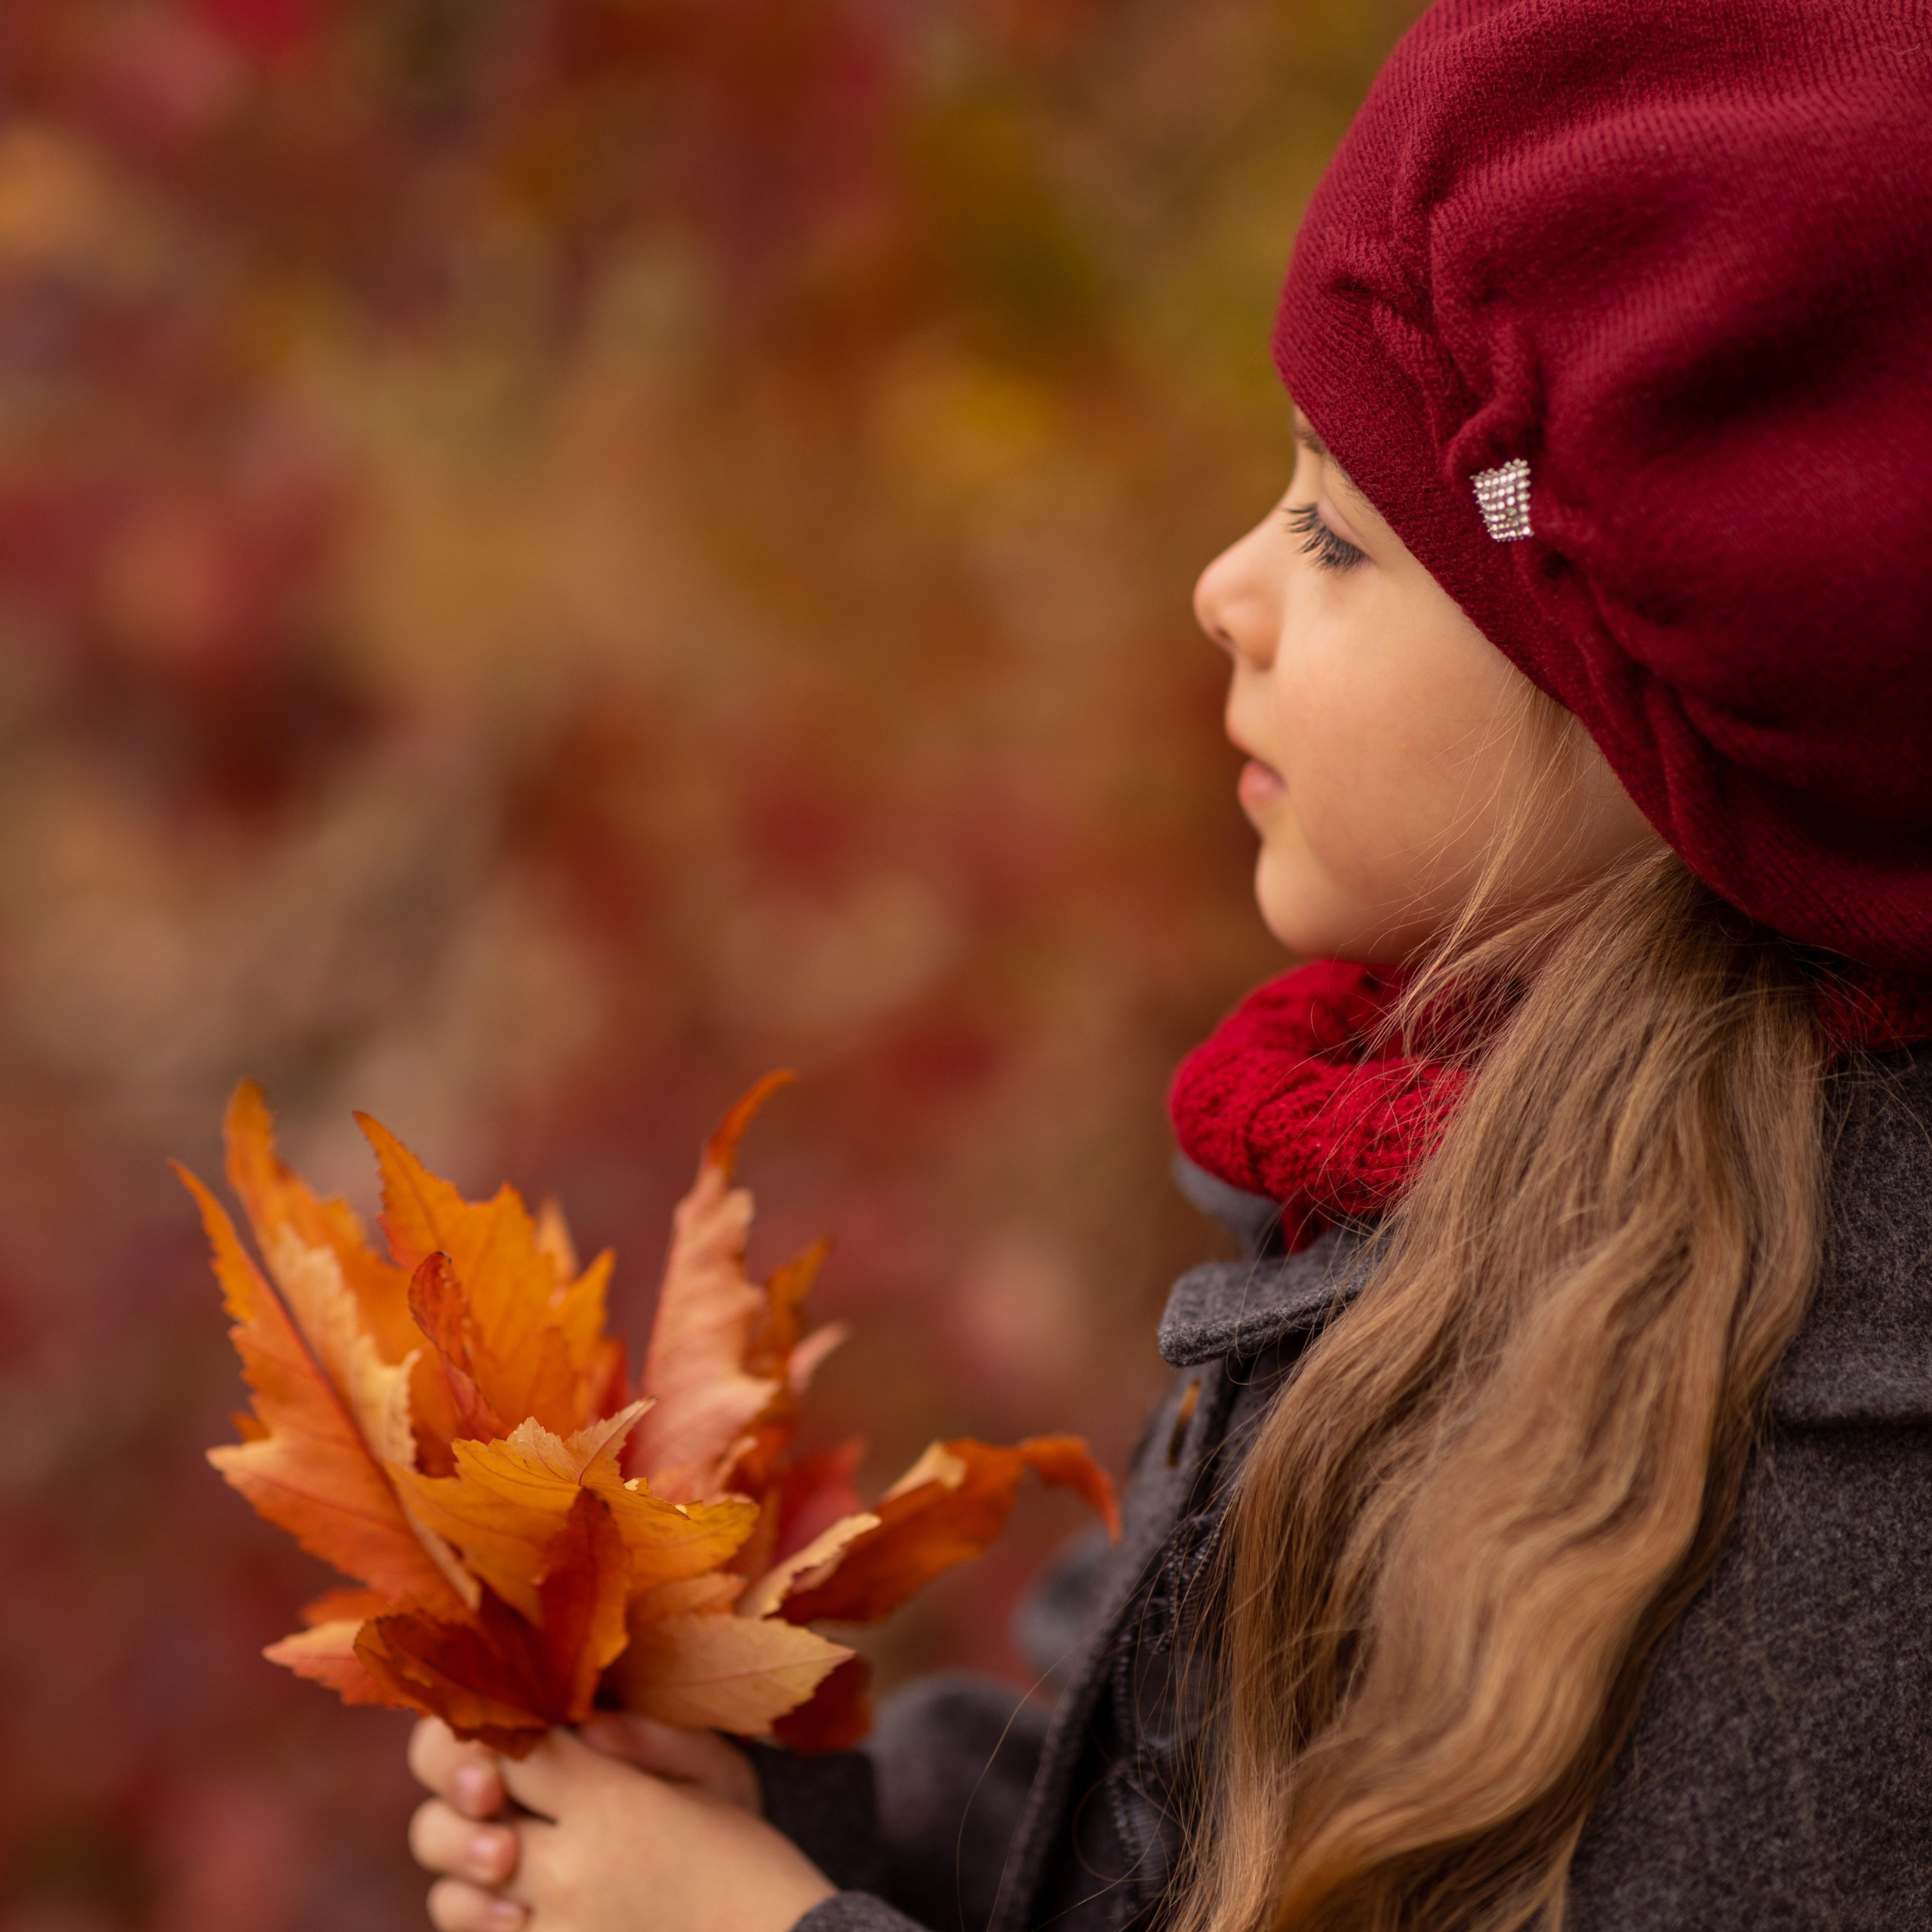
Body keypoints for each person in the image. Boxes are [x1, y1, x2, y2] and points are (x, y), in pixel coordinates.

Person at [403, 0, 1932, 1925]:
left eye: (1342, 536)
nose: (1228, 586)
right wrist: (790, 1825)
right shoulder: (1399, 1174)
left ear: (1624, 702)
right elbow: (1151, 1825)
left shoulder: (1798, 1501)